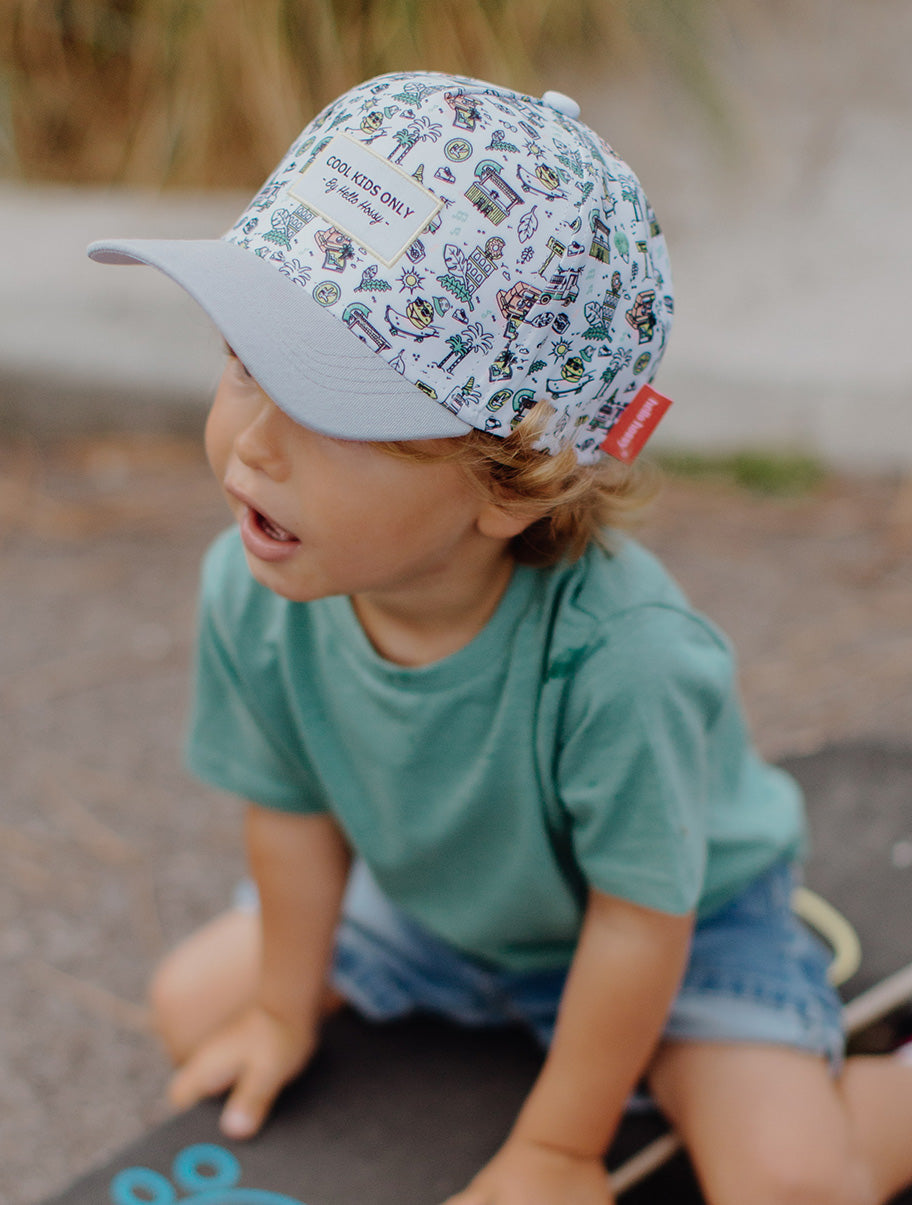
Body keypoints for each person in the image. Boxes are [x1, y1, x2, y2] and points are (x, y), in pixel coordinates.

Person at [88, 71, 912, 1205]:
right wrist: (283, 1009)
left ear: (511, 482)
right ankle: (505, 1048)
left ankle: (879, 1098)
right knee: (200, 1000)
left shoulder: (622, 657)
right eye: (242, 359)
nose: (253, 444)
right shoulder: (250, 582)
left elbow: (639, 919)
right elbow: (288, 815)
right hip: (441, 909)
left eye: (330, 408)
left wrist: (556, 1147)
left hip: (673, 932)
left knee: (792, 1181)